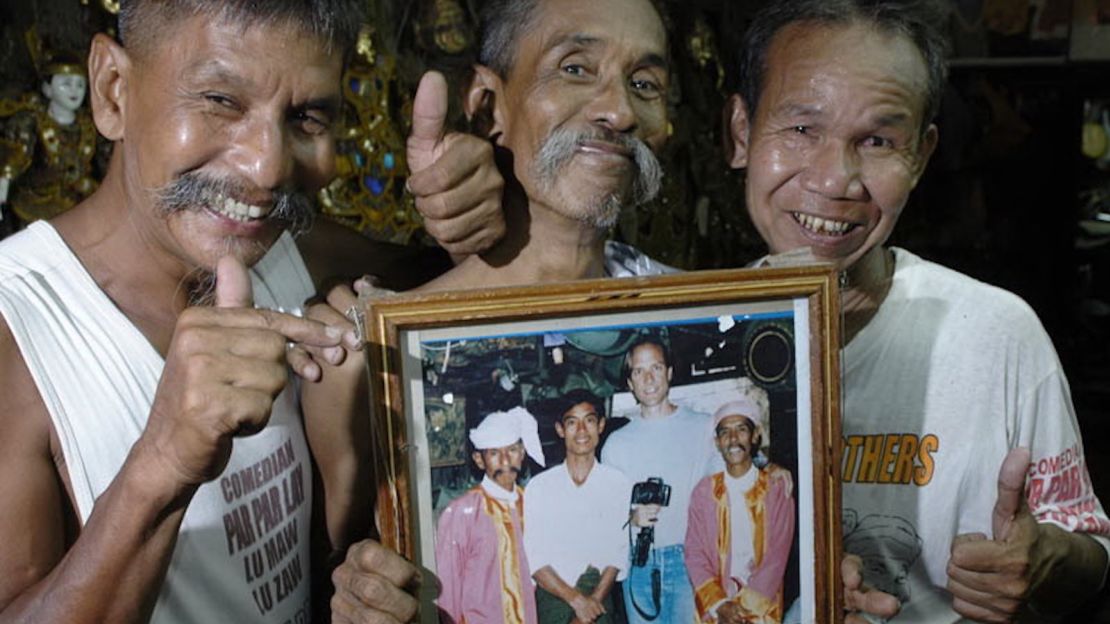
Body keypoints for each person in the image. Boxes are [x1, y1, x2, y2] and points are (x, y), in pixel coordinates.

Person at [0, 1, 506, 622]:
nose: (268, 168)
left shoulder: (286, 253)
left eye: (307, 116)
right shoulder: (17, 325)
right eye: (220, 100)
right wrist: (165, 460)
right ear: (112, 91)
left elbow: (459, 284)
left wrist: (479, 222)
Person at [722, 0, 1110, 620]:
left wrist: (1045, 561)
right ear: (741, 133)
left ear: (922, 157)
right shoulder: (691, 342)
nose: (837, 179)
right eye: (801, 129)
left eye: (877, 140)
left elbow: (1090, 553)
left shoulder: (996, 332)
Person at [414, 0, 675, 292]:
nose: (621, 113)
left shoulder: (701, 320)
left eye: (644, 84)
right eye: (575, 69)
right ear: (486, 102)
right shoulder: (399, 333)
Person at [600, 333, 719, 623]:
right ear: (630, 383)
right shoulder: (616, 443)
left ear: (669, 372)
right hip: (639, 563)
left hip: (690, 561)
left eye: (655, 368)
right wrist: (630, 515)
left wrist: (774, 473)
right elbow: (604, 514)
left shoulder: (704, 428)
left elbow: (732, 483)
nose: (649, 378)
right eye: (639, 371)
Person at [685, 382, 795, 624]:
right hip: (715, 610)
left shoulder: (776, 489)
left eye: (741, 429)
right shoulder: (704, 492)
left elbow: (776, 558)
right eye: (725, 432)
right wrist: (720, 605)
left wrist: (743, 610)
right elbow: (695, 553)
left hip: (761, 609)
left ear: (755, 435)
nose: (733, 439)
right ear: (717, 442)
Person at [524, 389, 631, 624]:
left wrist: (591, 605)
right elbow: (535, 558)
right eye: (572, 422)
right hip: (554, 597)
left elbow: (618, 553)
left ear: (601, 425)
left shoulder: (618, 483)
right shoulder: (540, 487)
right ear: (560, 429)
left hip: (599, 599)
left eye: (589, 421)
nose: (582, 431)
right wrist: (576, 601)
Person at [436, 407, 547, 624]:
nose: (505, 460)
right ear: (479, 459)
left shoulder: (532, 504)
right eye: (494, 453)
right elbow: (446, 589)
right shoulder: (462, 511)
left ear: (522, 453)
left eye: (512, 450)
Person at [0, 52, 101, 222]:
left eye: (80, 85)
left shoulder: (91, 124)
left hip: (78, 202)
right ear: (47, 89)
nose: (74, 90)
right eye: (66, 84)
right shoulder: (30, 122)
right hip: (36, 203)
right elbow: (11, 163)